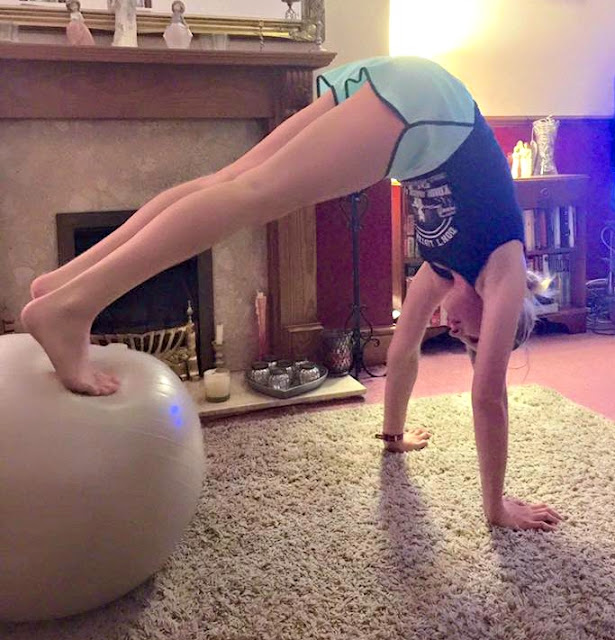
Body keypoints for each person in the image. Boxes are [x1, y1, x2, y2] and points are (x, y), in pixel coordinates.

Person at [22, 56, 561, 531]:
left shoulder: (444, 271)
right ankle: (73, 308)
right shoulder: (505, 269)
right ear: (504, 312)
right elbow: (488, 395)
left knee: (227, 183)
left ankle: (65, 283)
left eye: (465, 344)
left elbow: (402, 351)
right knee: (252, 195)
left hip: (411, 91)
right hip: (424, 109)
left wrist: (394, 437)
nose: (463, 335)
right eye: (476, 338)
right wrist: (496, 506)